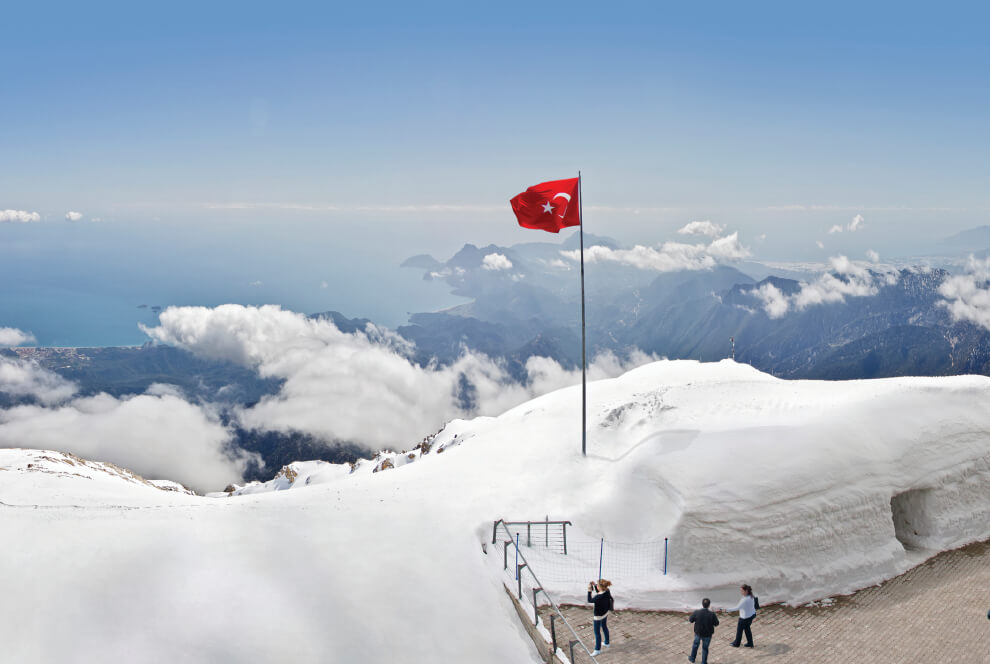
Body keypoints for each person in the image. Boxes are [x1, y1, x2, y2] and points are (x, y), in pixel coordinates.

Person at [688, 598, 719, 664]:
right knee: (705, 648)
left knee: (695, 645)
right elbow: (716, 624)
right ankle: (704, 662)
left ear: (702, 604)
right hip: (707, 634)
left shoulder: (697, 612)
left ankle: (692, 658)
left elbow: (690, 620)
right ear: (709, 605)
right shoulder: (712, 614)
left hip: (698, 633)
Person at [586, 579, 613, 655]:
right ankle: (607, 642)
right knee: (604, 627)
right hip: (605, 613)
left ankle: (597, 650)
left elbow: (590, 600)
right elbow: (600, 591)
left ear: (599, 587)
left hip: (598, 616)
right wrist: (594, 585)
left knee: (597, 633)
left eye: (597, 585)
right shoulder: (607, 591)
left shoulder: (598, 597)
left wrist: (589, 590)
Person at [728, 584, 757, 648]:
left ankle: (737, 643)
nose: (741, 592)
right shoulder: (751, 596)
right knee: (747, 630)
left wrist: (726, 610)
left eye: (742, 591)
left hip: (744, 618)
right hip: (751, 616)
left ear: (746, 591)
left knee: (739, 631)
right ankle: (750, 643)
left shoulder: (744, 600)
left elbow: (736, 608)